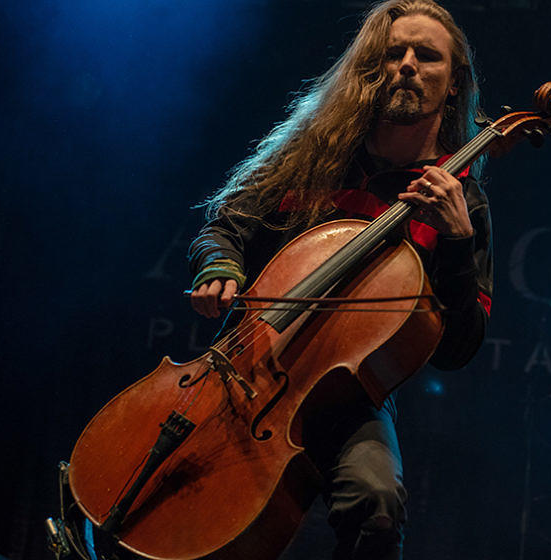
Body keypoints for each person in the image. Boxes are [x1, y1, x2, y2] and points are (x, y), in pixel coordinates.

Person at [187, 2, 492, 558]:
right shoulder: (313, 151)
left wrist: (456, 242)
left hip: (349, 393)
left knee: (376, 504)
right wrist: (219, 271)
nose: (406, 65)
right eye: (392, 53)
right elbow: (224, 229)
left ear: (453, 84)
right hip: (250, 363)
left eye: (426, 56)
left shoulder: (460, 199)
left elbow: (458, 347)